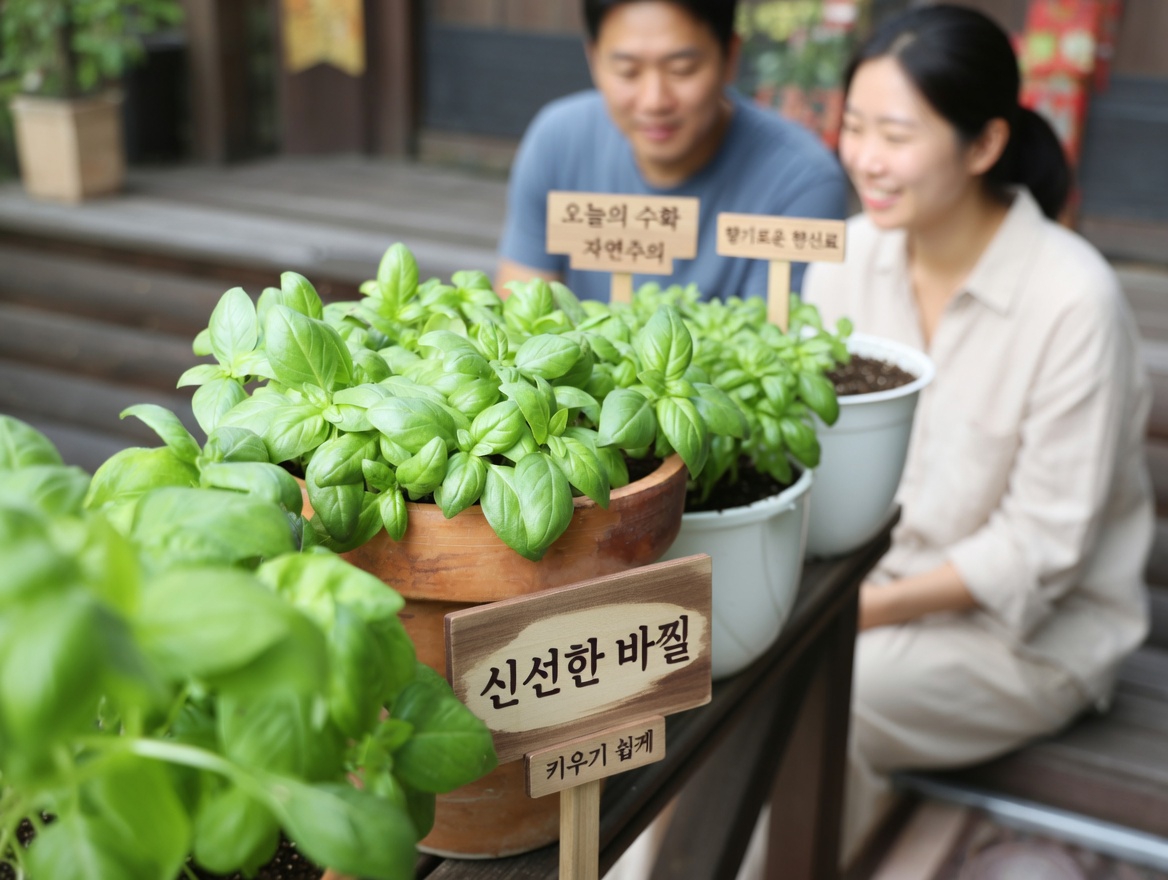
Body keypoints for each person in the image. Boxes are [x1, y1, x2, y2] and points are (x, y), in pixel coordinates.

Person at [800, 4, 1154, 865]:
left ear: (985, 144)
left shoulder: (1071, 299)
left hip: (1021, 639)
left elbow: (1041, 547)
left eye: (896, 134)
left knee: (817, 697)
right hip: (862, 595)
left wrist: (855, 612)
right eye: (854, 126)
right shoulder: (844, 260)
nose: (865, 157)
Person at [496, 0, 848, 301]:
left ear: (730, 56)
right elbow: (520, 313)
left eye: (682, 69)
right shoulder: (558, 139)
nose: (654, 101)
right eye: (627, 71)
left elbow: (779, 339)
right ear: (595, 60)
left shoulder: (802, 180)